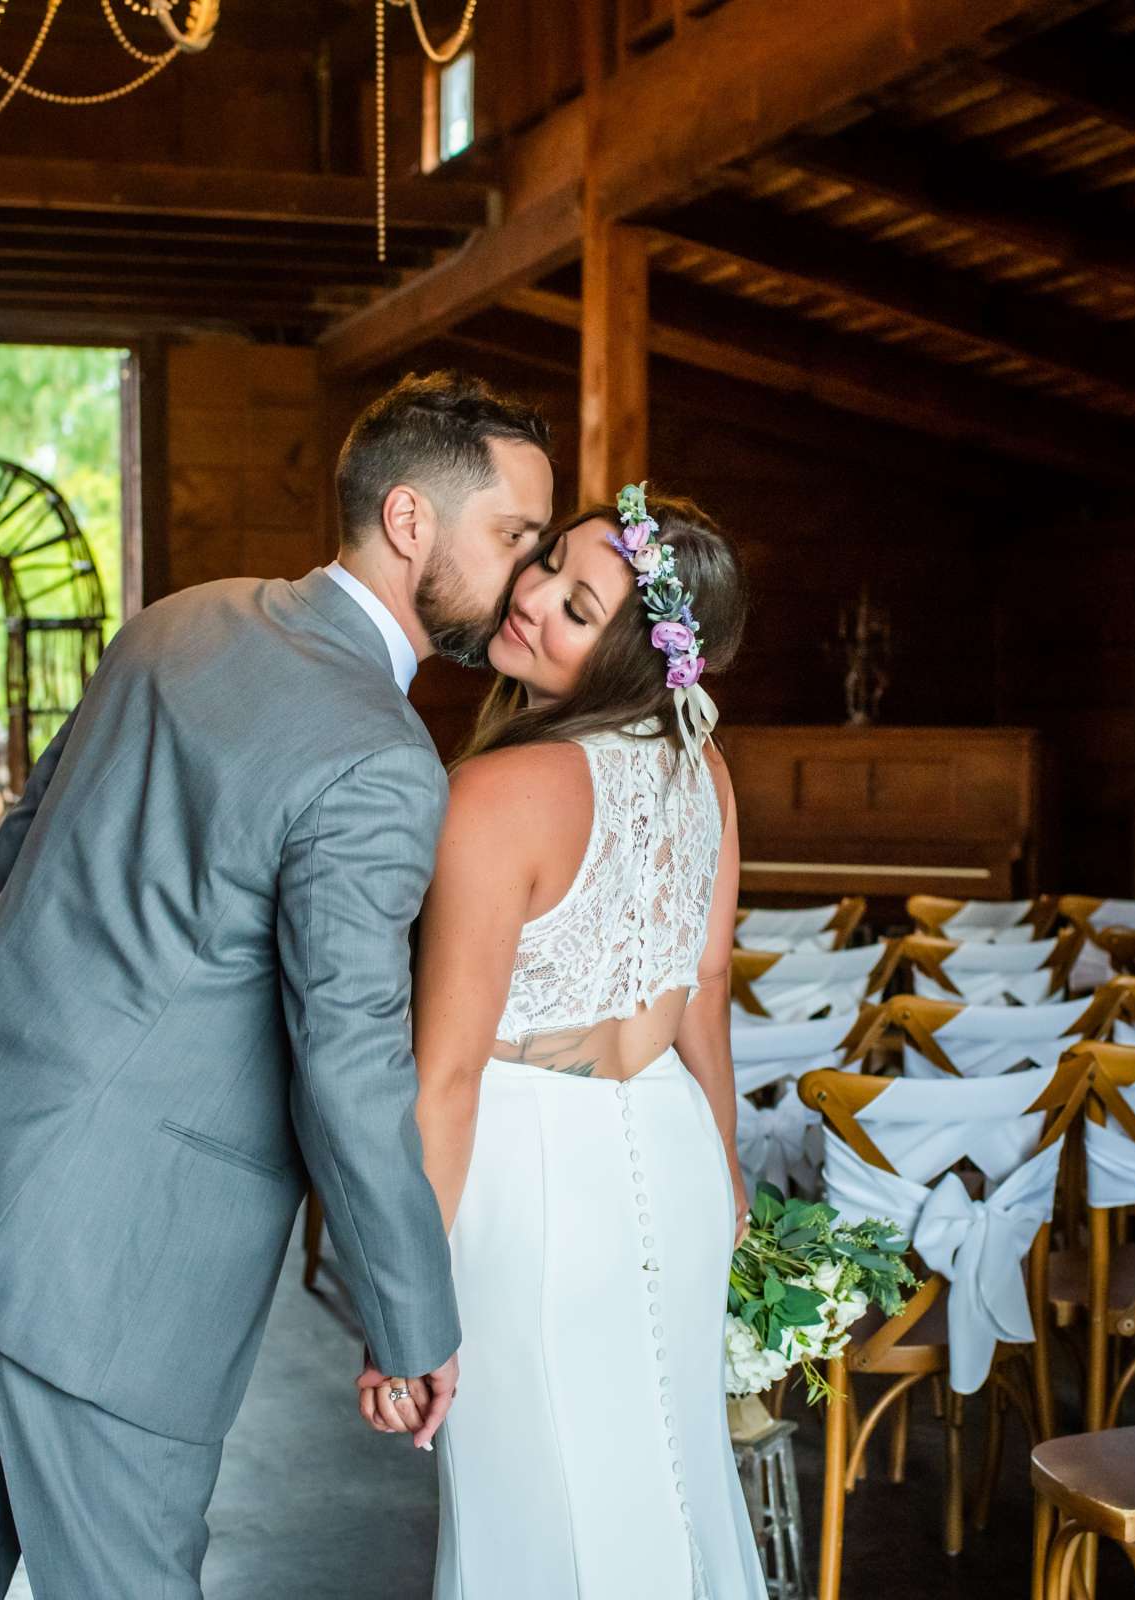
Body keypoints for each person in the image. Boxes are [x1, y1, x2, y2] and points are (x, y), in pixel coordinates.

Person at [0, 371, 555, 1598]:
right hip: (112, 1258)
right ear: (412, 524)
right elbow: (346, 1058)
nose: (527, 578)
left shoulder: (181, 618)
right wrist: (411, 1316)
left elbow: (22, 837)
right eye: (514, 537)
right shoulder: (383, 760)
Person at [376, 483, 766, 1598]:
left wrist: (402, 1303)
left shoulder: (493, 792)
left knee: (531, 1515)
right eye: (546, 562)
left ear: (634, 662)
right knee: (671, 1489)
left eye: (578, 605)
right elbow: (706, 980)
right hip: (672, 1142)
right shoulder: (707, 772)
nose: (533, 596)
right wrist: (726, 1168)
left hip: (532, 1173)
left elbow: (445, 1077)